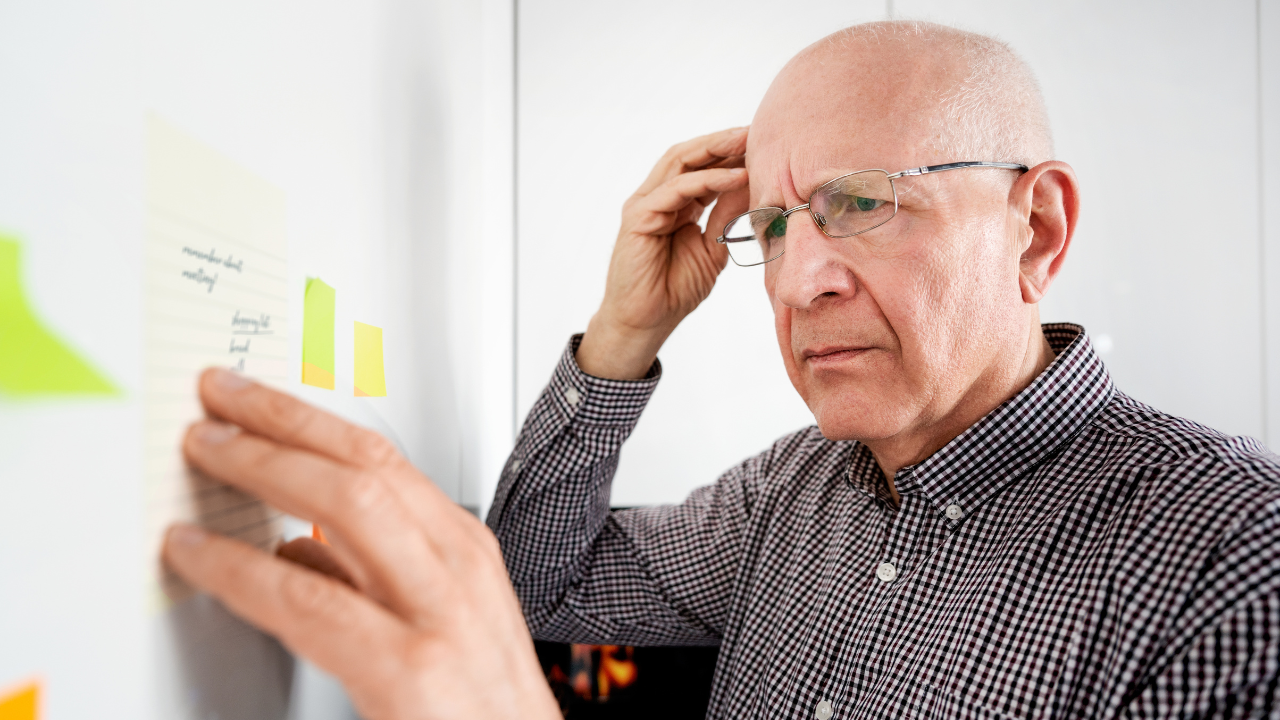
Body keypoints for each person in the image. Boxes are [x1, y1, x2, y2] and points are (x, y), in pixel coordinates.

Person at [163, 19, 1280, 720]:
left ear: (1033, 231)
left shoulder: (1232, 562)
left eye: (860, 204)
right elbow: (537, 582)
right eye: (776, 226)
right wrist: (620, 334)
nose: (798, 283)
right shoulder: (785, 494)